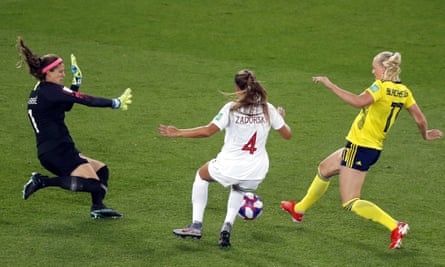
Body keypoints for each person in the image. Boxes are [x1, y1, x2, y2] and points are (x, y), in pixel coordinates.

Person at [281, 51, 443, 249]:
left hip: (360, 147)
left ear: (383, 69)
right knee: (325, 168)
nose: (372, 70)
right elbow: (419, 118)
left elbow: (358, 101)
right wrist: (425, 134)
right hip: (370, 147)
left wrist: (330, 84)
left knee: (350, 201)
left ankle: (395, 226)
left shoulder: (380, 87)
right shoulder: (404, 91)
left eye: (374, 67)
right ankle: (298, 210)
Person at [158, 69, 292, 248]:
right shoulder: (269, 109)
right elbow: (287, 134)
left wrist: (178, 133)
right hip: (256, 170)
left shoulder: (232, 108)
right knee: (239, 188)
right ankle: (226, 229)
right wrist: (280, 119)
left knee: (202, 175)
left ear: (238, 89)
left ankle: (196, 224)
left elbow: (208, 131)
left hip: (230, 165)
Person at [17, 36, 133, 219]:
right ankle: (42, 182)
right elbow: (86, 100)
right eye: (60, 72)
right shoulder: (52, 91)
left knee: (102, 170)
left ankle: (98, 207)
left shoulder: (40, 90)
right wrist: (114, 103)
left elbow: (66, 105)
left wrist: (75, 84)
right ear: (48, 72)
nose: (63, 75)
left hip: (56, 148)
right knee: (93, 184)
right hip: (57, 151)